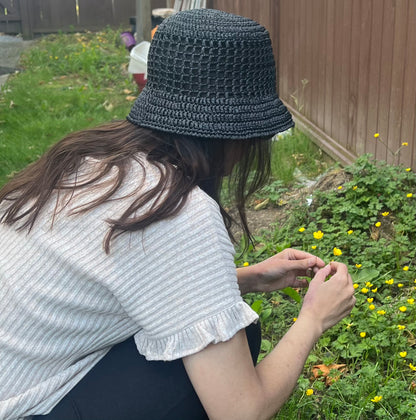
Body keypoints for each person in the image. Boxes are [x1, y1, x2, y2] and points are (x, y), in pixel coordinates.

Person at [0, 8, 355, 420]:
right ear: (240, 135)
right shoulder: (178, 213)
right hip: (21, 407)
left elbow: (116, 279)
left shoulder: (93, 156)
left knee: (224, 332)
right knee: (229, 349)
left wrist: (246, 278)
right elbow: (242, 411)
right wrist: (313, 318)